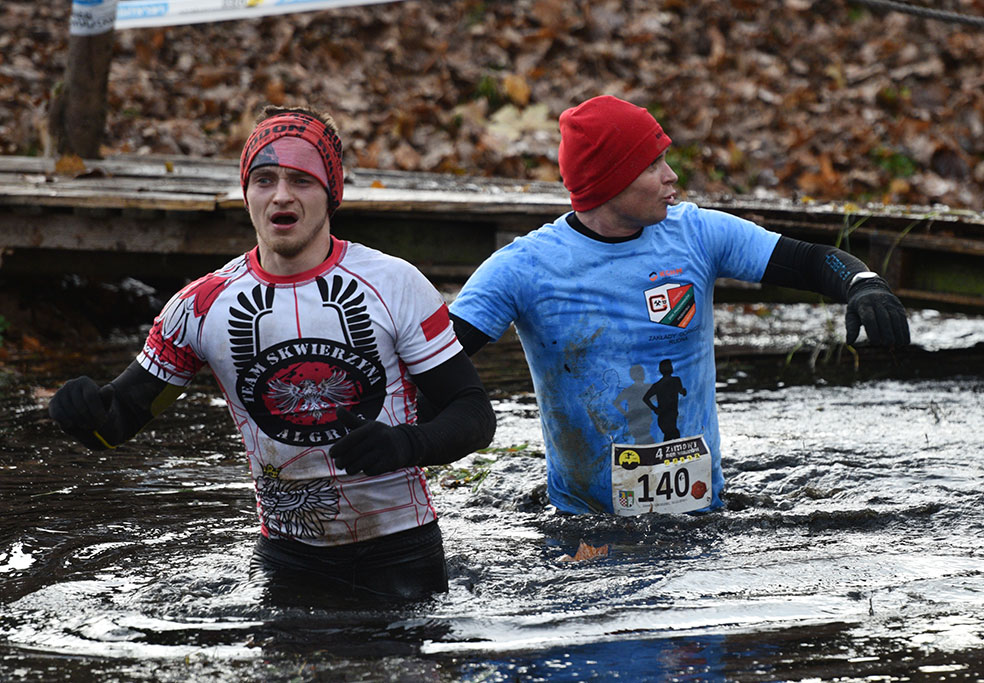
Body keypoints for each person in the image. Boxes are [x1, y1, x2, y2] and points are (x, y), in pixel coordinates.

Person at [48, 104, 496, 601]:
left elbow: (474, 415)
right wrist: (80, 414)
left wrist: (406, 444)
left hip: (402, 552)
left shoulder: (395, 284)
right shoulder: (202, 305)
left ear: (332, 195)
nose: (281, 195)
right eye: (264, 180)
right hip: (290, 560)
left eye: (301, 180)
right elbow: (117, 422)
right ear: (247, 195)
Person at [448, 95, 909, 516]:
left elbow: (809, 261)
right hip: (583, 526)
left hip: (701, 516)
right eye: (653, 165)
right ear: (610, 181)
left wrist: (864, 284)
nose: (672, 176)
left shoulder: (698, 235)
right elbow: (436, 357)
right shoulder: (523, 268)